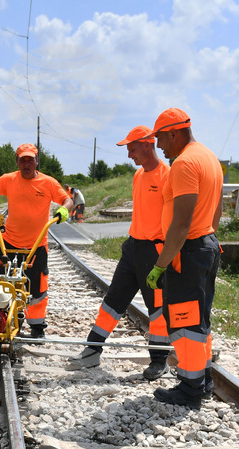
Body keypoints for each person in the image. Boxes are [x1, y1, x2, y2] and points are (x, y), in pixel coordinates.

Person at [73, 125, 171, 380]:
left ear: (148, 144)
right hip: (133, 248)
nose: (129, 155)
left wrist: (165, 259)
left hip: (155, 250)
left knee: (157, 309)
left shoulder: (167, 176)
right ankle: (92, 350)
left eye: (132, 149)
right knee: (113, 300)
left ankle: (159, 361)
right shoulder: (138, 176)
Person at [146, 108, 223, 410]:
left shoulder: (184, 163)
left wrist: (161, 264)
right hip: (206, 244)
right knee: (200, 318)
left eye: (161, 138)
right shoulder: (209, 157)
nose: (159, 145)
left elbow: (180, 223)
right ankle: (203, 379)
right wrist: (208, 239)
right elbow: (217, 209)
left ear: (174, 133)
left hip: (188, 250)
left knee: (184, 320)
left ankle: (190, 389)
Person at [0, 143, 74, 339]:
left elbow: (68, 200)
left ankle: (37, 326)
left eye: (30, 160)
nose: (26, 164)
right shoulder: (9, 180)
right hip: (9, 242)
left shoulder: (48, 183)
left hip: (36, 245)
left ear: (36, 161)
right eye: (22, 160)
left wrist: (64, 209)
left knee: (38, 287)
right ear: (17, 161)